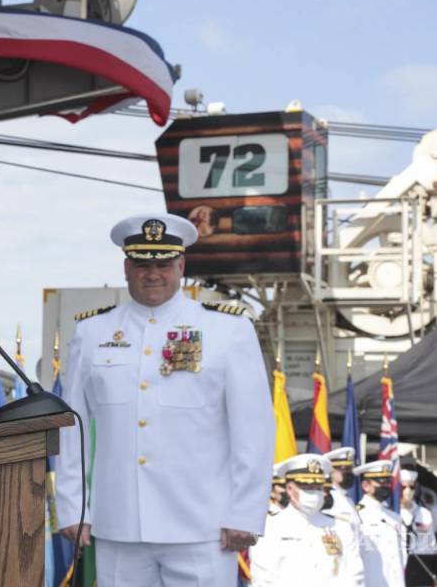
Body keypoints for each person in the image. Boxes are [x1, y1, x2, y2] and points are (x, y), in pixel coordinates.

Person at [56, 213, 274, 586]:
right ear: (126, 268)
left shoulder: (228, 329)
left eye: (163, 264)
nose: (153, 273)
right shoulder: (92, 332)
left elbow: (253, 428)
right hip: (118, 523)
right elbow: (71, 427)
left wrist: (246, 512)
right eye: (142, 264)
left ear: (181, 265)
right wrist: (72, 507)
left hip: (203, 526)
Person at [249, 454, 363, 586]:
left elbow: (355, 574)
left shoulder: (340, 526)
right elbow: (264, 579)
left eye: (318, 486)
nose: (314, 492)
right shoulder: (270, 527)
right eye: (307, 487)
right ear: (290, 489)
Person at [355, 460, 406, 587]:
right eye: (381, 482)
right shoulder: (357, 516)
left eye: (388, 482)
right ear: (366, 485)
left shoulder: (394, 517)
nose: (386, 486)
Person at [324, 447, 363, 537]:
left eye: (350, 469)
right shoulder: (327, 498)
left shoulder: (348, 499)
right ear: (331, 472)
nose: (349, 473)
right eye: (344, 469)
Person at [400, 468, 436, 554]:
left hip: (419, 563)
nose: (408, 491)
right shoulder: (391, 514)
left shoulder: (424, 514)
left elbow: (431, 544)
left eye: (411, 487)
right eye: (403, 487)